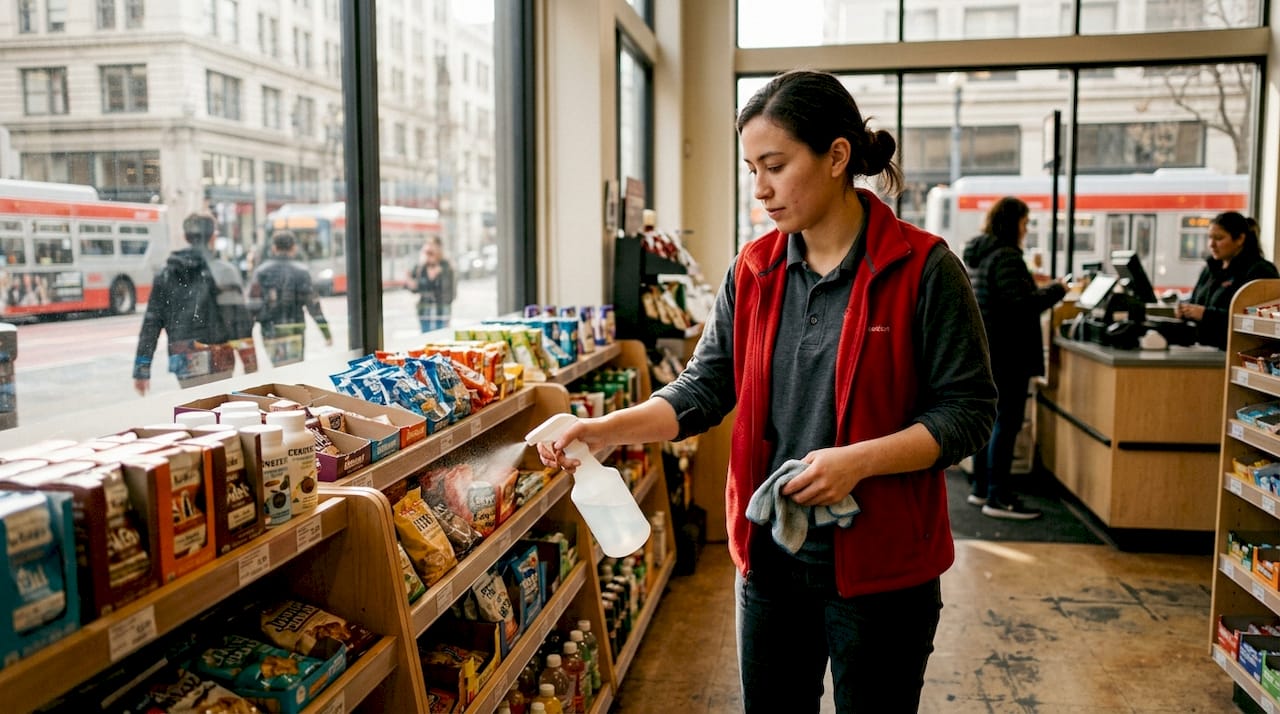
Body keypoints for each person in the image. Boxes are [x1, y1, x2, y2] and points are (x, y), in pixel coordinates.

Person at [535, 70, 996, 713]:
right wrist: (603, 429)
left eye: (775, 166)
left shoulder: (924, 269)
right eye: (752, 169)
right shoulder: (753, 271)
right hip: (771, 561)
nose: (761, 190)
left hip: (884, 569)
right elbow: (706, 386)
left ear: (838, 156)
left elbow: (968, 413)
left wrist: (856, 462)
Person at [962, 197, 1067, 520]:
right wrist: (1057, 290)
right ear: (1012, 223)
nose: (1026, 229)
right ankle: (999, 497)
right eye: (1024, 222)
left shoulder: (980, 254)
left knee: (989, 422)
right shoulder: (1006, 256)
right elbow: (1020, 305)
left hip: (989, 350)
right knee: (1006, 424)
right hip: (1009, 353)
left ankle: (981, 489)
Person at [133, 212, 255, 396]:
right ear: (213, 236)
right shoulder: (224, 271)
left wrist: (142, 369)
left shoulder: (166, 274)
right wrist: (250, 364)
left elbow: (151, 323)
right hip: (219, 356)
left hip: (183, 358)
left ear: (186, 236)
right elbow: (238, 322)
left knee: (194, 407)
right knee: (218, 408)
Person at [1175, 211, 1279, 349]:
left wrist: (1205, 314)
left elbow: (1252, 321)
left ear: (1240, 239)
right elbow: (1197, 301)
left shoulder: (1260, 271)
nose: (1211, 244)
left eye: (1218, 238)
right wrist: (1186, 310)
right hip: (1202, 348)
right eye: (1210, 238)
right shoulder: (1210, 268)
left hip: (1234, 351)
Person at [247, 230, 333, 366]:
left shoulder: (261, 271)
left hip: (270, 330)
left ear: (274, 248)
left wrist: (246, 336)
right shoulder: (302, 272)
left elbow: (252, 306)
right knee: (294, 368)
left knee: (277, 367)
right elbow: (314, 306)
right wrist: (326, 333)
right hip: (295, 329)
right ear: (294, 248)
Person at [407, 235, 457, 332]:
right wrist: (410, 282)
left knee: (441, 339)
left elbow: (451, 293)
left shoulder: (446, 267)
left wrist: (437, 276)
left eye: (432, 246)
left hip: (441, 311)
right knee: (425, 339)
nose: (429, 250)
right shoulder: (421, 268)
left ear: (439, 249)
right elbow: (414, 289)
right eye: (428, 247)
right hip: (424, 312)